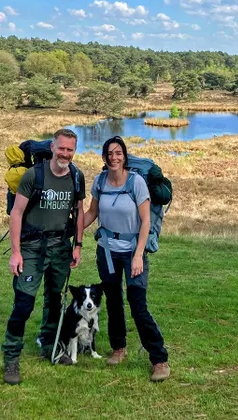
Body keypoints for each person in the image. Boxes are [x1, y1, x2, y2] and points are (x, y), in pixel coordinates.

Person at [82, 135, 170, 382]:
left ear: (125, 155)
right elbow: (91, 213)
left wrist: (139, 255)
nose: (114, 157)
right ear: (104, 157)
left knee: (137, 303)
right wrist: (72, 230)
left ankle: (159, 359)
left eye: (118, 153)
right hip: (107, 250)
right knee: (113, 300)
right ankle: (119, 348)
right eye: (109, 153)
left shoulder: (137, 182)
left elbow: (146, 222)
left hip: (133, 250)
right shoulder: (100, 181)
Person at [2, 128, 86, 385]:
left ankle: (49, 344)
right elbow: (16, 213)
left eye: (70, 149)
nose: (65, 154)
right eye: (61, 148)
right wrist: (16, 253)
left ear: (74, 150)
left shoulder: (76, 176)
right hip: (31, 247)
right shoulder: (33, 175)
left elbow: (80, 211)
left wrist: (78, 245)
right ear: (52, 147)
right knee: (24, 304)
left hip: (60, 247)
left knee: (54, 300)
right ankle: (11, 357)